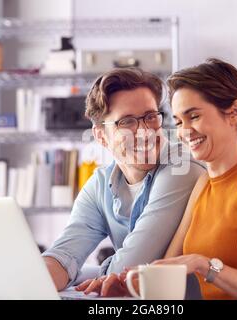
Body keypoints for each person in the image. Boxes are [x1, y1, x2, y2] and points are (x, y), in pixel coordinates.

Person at [80, 58, 237, 300]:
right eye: (178, 121)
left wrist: (206, 266)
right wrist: (124, 284)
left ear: (235, 112)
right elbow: (166, 267)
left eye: (194, 116)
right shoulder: (202, 184)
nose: (184, 131)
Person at [42, 67, 205, 291]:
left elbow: (135, 263)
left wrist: (80, 274)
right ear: (101, 136)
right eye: (127, 122)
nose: (145, 131)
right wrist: (29, 278)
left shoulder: (182, 167)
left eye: (150, 117)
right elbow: (64, 254)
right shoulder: (100, 184)